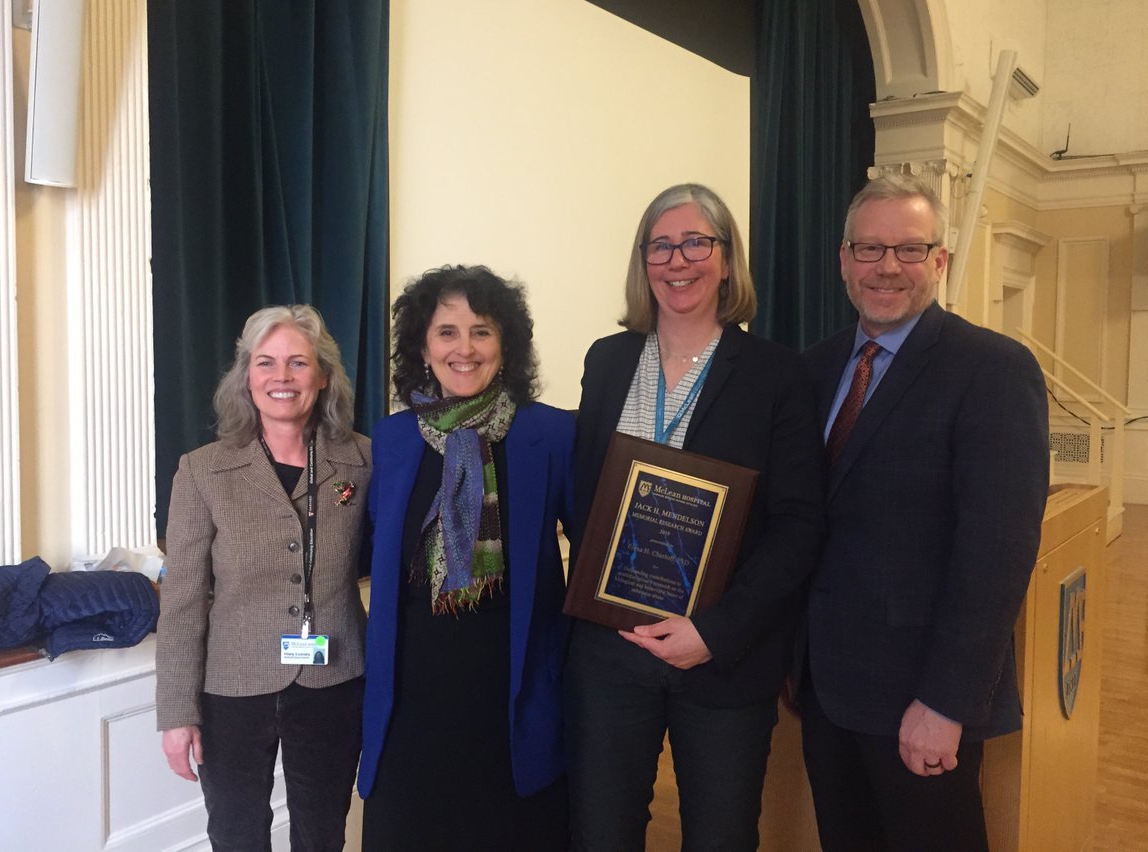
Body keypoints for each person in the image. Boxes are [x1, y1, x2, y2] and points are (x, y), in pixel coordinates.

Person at [568, 183, 825, 850]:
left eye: (695, 242)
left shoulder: (777, 374)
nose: (677, 261)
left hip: (721, 656)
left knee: (720, 835)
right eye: (661, 245)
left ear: (726, 258)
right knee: (601, 832)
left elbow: (800, 524)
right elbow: (584, 490)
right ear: (642, 260)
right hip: (611, 648)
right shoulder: (608, 360)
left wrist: (714, 630)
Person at [798, 173, 1049, 851]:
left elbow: (996, 554)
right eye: (870, 249)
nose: (887, 268)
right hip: (825, 690)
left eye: (909, 250)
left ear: (939, 260)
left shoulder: (992, 370)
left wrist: (945, 703)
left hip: (920, 700)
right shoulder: (813, 370)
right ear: (844, 260)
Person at [358, 265, 574, 851]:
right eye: (446, 331)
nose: (464, 348)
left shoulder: (552, 435)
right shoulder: (393, 439)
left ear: (506, 346)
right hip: (412, 699)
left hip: (511, 694)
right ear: (423, 348)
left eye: (481, 331)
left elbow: (599, 553)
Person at [156, 304, 371, 852]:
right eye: (266, 363)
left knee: (323, 834)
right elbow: (181, 600)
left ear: (322, 376)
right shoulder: (202, 470)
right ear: (246, 376)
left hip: (335, 681)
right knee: (236, 835)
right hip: (231, 687)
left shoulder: (364, 460)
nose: (282, 378)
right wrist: (177, 713)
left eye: (298, 363)